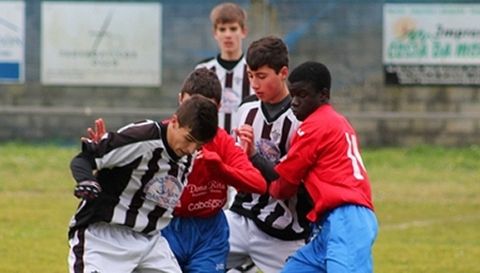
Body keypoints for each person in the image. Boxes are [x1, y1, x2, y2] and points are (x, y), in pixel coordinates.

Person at [83, 68, 268, 273]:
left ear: (219, 108)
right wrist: (103, 155)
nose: (200, 116)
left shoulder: (221, 141)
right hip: (166, 226)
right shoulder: (160, 138)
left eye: (208, 109)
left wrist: (220, 169)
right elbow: (117, 165)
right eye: (193, 104)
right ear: (181, 101)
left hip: (209, 231)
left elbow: (258, 183)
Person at [68, 94, 218, 273]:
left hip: (150, 242)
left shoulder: (187, 155)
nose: (191, 150)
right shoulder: (142, 137)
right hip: (105, 238)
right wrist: (86, 180)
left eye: (199, 146)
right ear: (174, 121)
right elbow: (84, 159)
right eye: (189, 140)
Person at [268, 61, 378, 272]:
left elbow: (284, 185)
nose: (295, 102)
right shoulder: (336, 121)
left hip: (347, 217)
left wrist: (255, 160)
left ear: (323, 95)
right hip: (331, 221)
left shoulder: (314, 125)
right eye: (293, 95)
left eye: (303, 95)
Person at [225, 36, 311, 273]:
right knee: (191, 256)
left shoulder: (300, 119)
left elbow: (289, 183)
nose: (254, 83)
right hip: (240, 218)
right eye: (251, 75)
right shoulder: (246, 108)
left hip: (282, 231)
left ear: (283, 72)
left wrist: (253, 154)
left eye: (261, 76)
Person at [196, 2, 251, 134]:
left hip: (243, 149)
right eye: (222, 29)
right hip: (211, 147)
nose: (227, 35)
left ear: (243, 32)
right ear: (215, 33)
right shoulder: (203, 70)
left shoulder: (254, 71)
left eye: (233, 29)